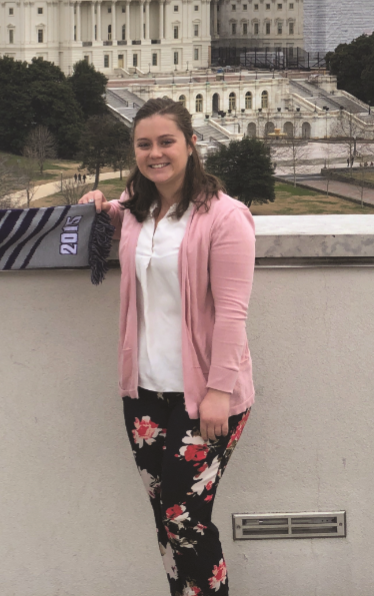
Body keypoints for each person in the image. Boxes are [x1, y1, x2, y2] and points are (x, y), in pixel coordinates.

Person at [80, 97, 255, 596]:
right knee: (166, 519)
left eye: (166, 142)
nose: (155, 153)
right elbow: (108, 221)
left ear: (191, 144)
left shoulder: (226, 217)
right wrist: (97, 205)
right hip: (144, 392)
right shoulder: (137, 210)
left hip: (206, 396)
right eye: (144, 144)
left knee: (185, 519)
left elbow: (233, 313)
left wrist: (220, 390)